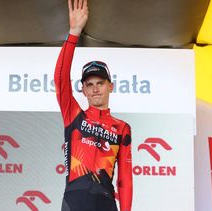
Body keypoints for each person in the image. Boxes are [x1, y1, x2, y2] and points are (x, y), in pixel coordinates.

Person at [54, 0, 133, 210]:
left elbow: (125, 178)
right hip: (76, 199)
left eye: (100, 83)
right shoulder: (74, 115)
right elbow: (60, 78)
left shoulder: (122, 128)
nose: (95, 89)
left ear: (111, 86)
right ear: (83, 90)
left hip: (107, 202)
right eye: (89, 85)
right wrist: (74, 33)